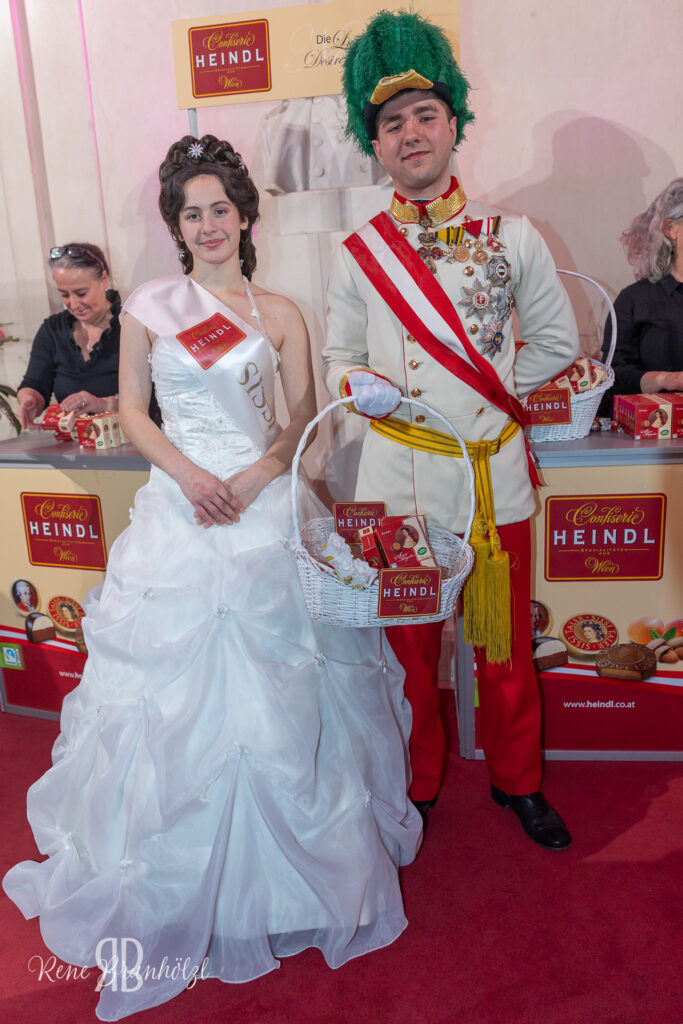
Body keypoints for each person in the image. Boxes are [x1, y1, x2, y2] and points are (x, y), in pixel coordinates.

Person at [3, 134, 421, 1021]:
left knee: (290, 694)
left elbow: (302, 419)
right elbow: (134, 410)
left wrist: (257, 477)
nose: (207, 225)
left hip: (264, 505)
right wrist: (191, 479)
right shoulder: (153, 307)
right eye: (191, 213)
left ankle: (297, 882)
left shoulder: (283, 312)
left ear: (244, 216)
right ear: (176, 225)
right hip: (181, 506)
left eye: (220, 209)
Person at [322, 11, 580, 849]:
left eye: (425, 115)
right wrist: (359, 387)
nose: (410, 133)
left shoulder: (513, 235)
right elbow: (336, 359)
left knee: (503, 649)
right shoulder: (357, 253)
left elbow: (556, 343)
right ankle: (419, 782)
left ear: (453, 123)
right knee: (407, 651)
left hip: (488, 478)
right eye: (392, 123)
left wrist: (487, 396)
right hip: (395, 480)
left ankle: (518, 780)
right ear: (376, 144)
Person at [16, 244, 120, 429]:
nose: (73, 304)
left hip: (129, 439)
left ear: (103, 279)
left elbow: (152, 395)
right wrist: (30, 400)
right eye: (64, 294)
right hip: (75, 442)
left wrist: (104, 404)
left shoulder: (129, 325)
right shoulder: (52, 330)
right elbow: (35, 384)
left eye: (81, 293)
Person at [603, 178, 683, 398]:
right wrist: (668, 380)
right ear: (671, 229)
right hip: (656, 419)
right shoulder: (633, 300)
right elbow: (611, 377)